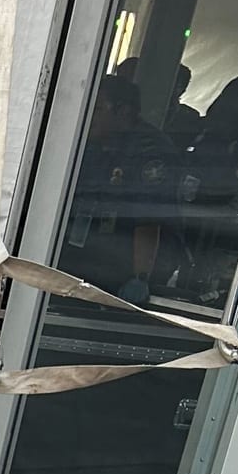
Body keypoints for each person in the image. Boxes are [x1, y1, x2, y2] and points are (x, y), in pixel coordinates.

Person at [65, 75, 180, 303]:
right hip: (87, 254)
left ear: (123, 112)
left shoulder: (149, 151)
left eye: (98, 109)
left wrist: (140, 277)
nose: (90, 117)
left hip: (121, 264)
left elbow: (148, 220)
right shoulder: (91, 143)